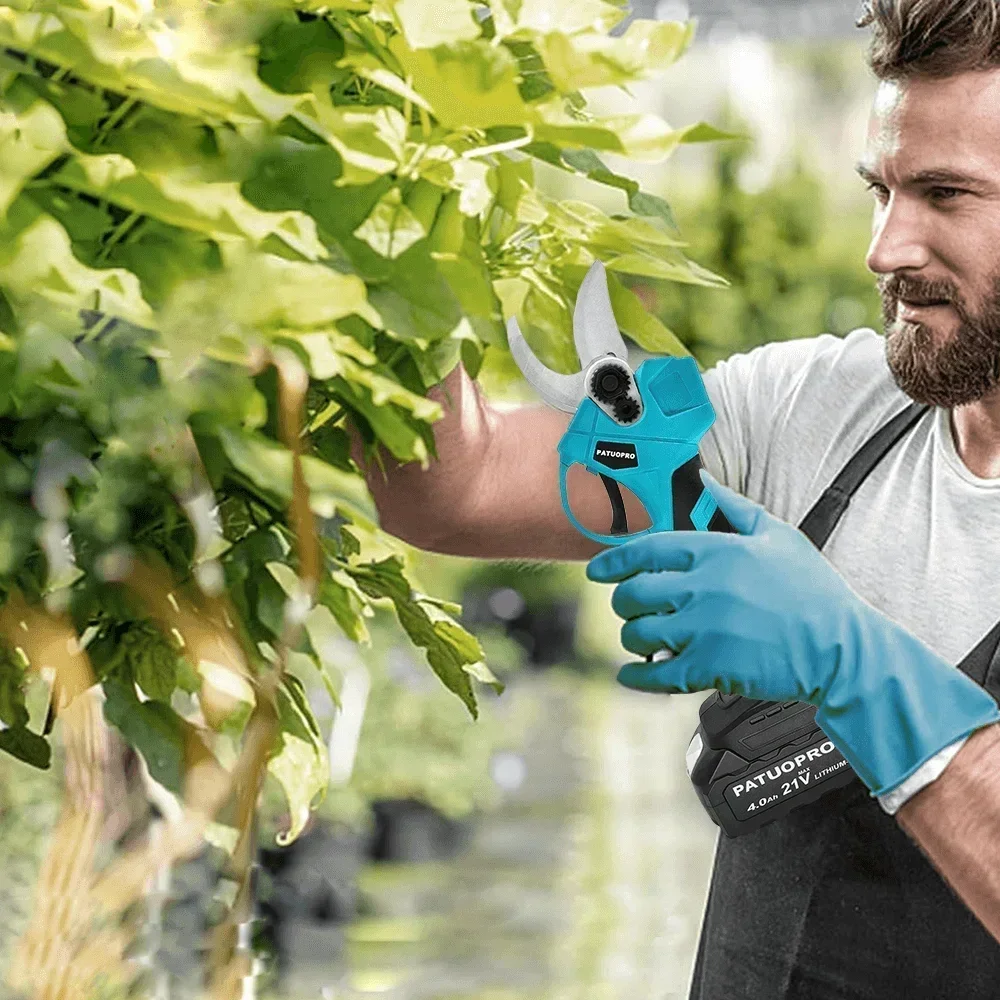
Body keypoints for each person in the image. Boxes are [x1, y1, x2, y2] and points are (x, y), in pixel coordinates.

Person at [352, 1, 1000, 996]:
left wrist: (851, 660)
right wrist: (394, 233)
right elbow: (456, 485)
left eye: (944, 194)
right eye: (880, 190)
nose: (884, 246)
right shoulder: (808, 417)